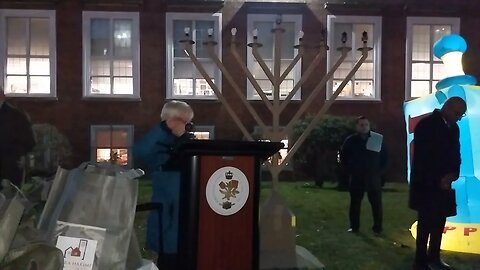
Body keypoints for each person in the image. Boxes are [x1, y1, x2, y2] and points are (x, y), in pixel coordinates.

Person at [133, 100, 194, 269]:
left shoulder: (188, 143)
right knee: (169, 257)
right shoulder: (158, 144)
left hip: (189, 211)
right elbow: (140, 151)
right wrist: (164, 129)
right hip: (168, 213)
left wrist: (184, 138)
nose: (186, 126)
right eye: (183, 121)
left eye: (188, 122)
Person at [409, 97, 466, 270]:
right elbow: (424, 157)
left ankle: (434, 256)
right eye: (457, 114)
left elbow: (456, 153)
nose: (458, 118)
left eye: (461, 115)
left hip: (444, 183)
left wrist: (453, 174)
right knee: (425, 222)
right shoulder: (426, 125)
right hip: (426, 183)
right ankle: (420, 261)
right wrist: (439, 178)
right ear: (447, 108)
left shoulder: (454, 128)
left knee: (439, 221)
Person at [340, 116, 387, 235]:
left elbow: (385, 157)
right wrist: (349, 170)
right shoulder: (350, 141)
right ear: (357, 126)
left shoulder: (376, 139)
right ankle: (354, 227)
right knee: (355, 203)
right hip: (357, 176)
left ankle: (378, 228)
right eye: (361, 125)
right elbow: (343, 156)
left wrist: (380, 172)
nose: (364, 127)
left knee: (376, 204)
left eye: (366, 125)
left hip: (373, 176)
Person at [0, 87, 35, 188]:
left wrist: (20, 156)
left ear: (2, 97)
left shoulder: (16, 116)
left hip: (9, 167)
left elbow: (29, 141)